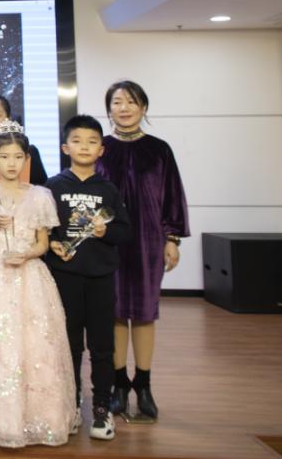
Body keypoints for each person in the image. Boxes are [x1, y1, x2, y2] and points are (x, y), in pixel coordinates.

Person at [0, 120, 77, 448]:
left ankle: (42, 418)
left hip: (29, 277)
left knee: (36, 344)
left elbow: (42, 243)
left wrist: (26, 254)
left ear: (26, 159)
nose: (11, 163)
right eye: (4, 157)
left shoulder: (40, 196)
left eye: (17, 157)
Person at [97, 80, 189, 421]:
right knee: (116, 312)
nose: (124, 108)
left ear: (143, 107)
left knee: (145, 313)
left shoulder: (159, 149)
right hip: (108, 241)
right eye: (117, 102)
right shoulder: (101, 148)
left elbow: (173, 196)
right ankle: (120, 384)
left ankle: (145, 385)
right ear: (109, 109)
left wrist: (172, 239)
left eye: (131, 102)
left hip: (149, 240)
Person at [46, 115, 132, 441]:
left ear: (101, 150)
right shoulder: (53, 187)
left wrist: (104, 231)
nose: (84, 147)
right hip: (64, 277)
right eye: (77, 141)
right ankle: (70, 402)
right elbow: (43, 231)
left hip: (100, 278)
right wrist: (52, 245)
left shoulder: (108, 190)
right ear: (65, 147)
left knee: (101, 346)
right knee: (68, 345)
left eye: (92, 141)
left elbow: (125, 232)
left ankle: (101, 407)